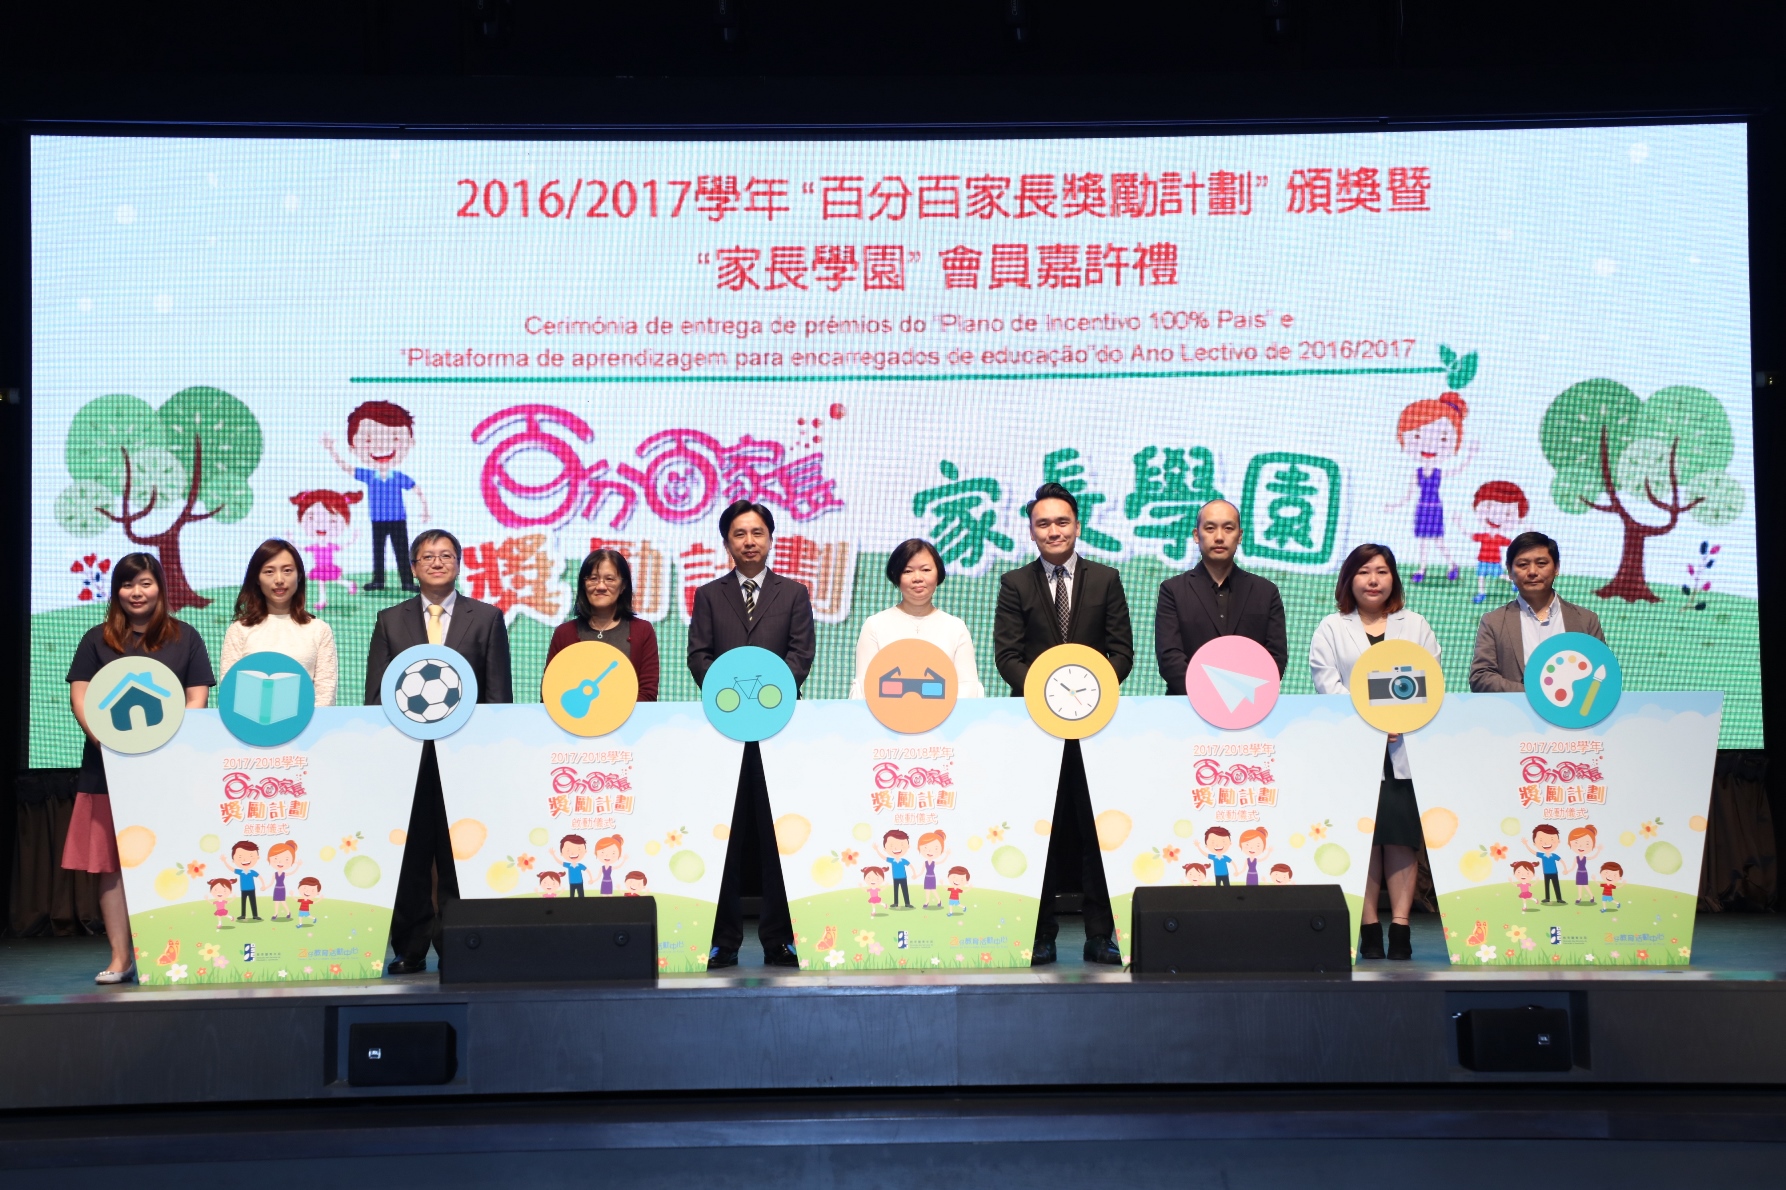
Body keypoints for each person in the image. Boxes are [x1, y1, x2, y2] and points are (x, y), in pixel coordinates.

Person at [993, 482, 1133, 966]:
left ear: (1077, 525)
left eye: (1062, 521)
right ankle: (1039, 935)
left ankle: (1101, 935)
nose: (1053, 531)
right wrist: (1045, 699)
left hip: (1097, 729)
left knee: (1096, 834)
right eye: (1043, 523)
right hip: (1035, 728)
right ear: (1031, 531)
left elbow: (1121, 652)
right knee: (1040, 833)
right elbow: (1007, 656)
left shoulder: (1106, 578)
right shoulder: (1015, 583)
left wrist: (1089, 697)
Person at [365, 529, 513, 974]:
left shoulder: (485, 617)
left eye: (446, 555)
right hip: (407, 758)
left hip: (465, 758)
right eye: (427, 556)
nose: (436, 562)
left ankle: (458, 947)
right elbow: (376, 696)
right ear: (412, 567)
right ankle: (410, 948)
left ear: (458, 564)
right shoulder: (389, 620)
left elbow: (498, 695)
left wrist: (491, 756)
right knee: (410, 856)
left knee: (458, 856)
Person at [65, 553, 215, 983]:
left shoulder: (186, 638)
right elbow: (81, 697)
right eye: (128, 584)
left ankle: (172, 954)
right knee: (112, 866)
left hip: (170, 771)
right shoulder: (96, 640)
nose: (137, 592)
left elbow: (197, 698)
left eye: (145, 583)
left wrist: (168, 746)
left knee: (173, 861)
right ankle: (120, 957)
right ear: (117, 591)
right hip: (106, 772)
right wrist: (110, 745)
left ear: (160, 588)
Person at [687, 499, 816, 969]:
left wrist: (767, 701)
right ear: (727, 543)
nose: (749, 541)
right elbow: (698, 655)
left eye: (757, 532)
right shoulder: (709, 594)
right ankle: (722, 941)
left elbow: (801, 655)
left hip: (780, 734)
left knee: (776, 839)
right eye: (739, 534)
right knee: (725, 839)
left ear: (770, 538)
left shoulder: (794, 593)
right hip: (723, 734)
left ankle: (779, 939)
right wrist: (732, 701)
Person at [1309, 543, 1441, 960]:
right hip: (1353, 748)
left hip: (1404, 745)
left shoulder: (1415, 625)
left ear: (1393, 579)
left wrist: (1397, 720)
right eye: (1364, 571)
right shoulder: (1332, 627)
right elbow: (1327, 684)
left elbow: (1430, 678)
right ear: (1349, 579)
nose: (1373, 580)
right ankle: (1368, 925)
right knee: (1364, 838)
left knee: (1401, 839)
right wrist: (1371, 723)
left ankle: (1400, 927)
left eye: (1382, 571)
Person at [1154, 499, 1288, 693]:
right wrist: (1211, 694)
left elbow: (1275, 657)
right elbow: (1169, 657)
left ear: (1239, 536)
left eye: (1228, 528)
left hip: (1249, 703)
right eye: (1210, 528)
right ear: (1196, 535)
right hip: (1187, 703)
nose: (1219, 537)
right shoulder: (1173, 590)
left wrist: (1239, 692)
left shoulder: (1266, 592)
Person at [848, 538, 985, 699]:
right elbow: (865, 687)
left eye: (926, 570)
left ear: (938, 573)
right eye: (908, 571)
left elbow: (967, 687)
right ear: (896, 576)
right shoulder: (875, 625)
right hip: (886, 713)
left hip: (946, 714)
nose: (917, 578)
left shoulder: (956, 627)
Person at [1469, 530, 1605, 692]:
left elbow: (1602, 675)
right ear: (1510, 571)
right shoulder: (1493, 622)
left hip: (1572, 708)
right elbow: (1481, 677)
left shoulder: (1586, 620)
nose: (1532, 571)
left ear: (1556, 567)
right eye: (1523, 565)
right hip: (1514, 708)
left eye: (1541, 563)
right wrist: (1536, 695)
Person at [322, 400, 430, 593]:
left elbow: (416, 489)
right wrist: (332, 451)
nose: (381, 447)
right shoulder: (369, 475)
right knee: (378, 551)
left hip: (398, 520)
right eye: (369, 440)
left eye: (394, 438)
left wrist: (425, 509)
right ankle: (378, 581)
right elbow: (348, 468)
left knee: (401, 551)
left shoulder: (398, 476)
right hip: (377, 520)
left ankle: (407, 582)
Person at [219, 538, 339, 706]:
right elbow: (230, 690)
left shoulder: (319, 629)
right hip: (252, 720)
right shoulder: (240, 629)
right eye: (269, 571)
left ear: (299, 575)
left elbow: (325, 693)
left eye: (287, 570)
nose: (279, 579)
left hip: (309, 721)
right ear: (257, 578)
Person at [546, 548, 661, 701]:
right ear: (583, 584)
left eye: (609, 579)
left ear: (623, 585)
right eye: (593, 578)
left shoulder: (643, 631)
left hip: (630, 717)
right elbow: (550, 692)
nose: (600, 586)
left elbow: (647, 694)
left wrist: (611, 713)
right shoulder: (564, 633)